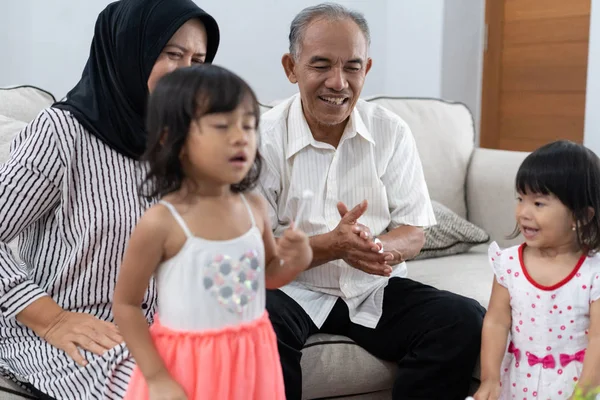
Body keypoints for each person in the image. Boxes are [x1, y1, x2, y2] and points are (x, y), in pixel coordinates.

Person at [258, 3, 486, 400]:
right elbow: (253, 254)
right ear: (291, 68)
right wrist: (333, 246)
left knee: (462, 319)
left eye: (352, 67)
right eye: (321, 65)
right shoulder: (262, 137)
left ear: (366, 69)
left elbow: (414, 230)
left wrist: (376, 249)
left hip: (369, 288)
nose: (338, 82)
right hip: (288, 288)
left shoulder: (391, 130)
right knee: (254, 323)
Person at [0, 0, 219, 398]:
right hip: (63, 333)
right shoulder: (61, 133)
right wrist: (51, 319)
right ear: (127, 51)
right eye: (172, 54)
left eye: (198, 60)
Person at [113, 64, 312, 400]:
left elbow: (266, 277)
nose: (241, 137)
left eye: (249, 126)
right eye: (222, 126)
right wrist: (157, 376)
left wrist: (296, 261)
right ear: (171, 138)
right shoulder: (162, 222)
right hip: (187, 368)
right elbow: (126, 305)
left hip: (252, 359)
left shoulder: (254, 208)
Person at [473, 140, 600, 400]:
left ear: (582, 217)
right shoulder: (508, 264)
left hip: (576, 386)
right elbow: (497, 321)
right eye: (521, 199)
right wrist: (490, 378)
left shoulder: (593, 272)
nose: (523, 213)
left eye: (539, 204)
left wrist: (585, 394)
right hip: (519, 382)